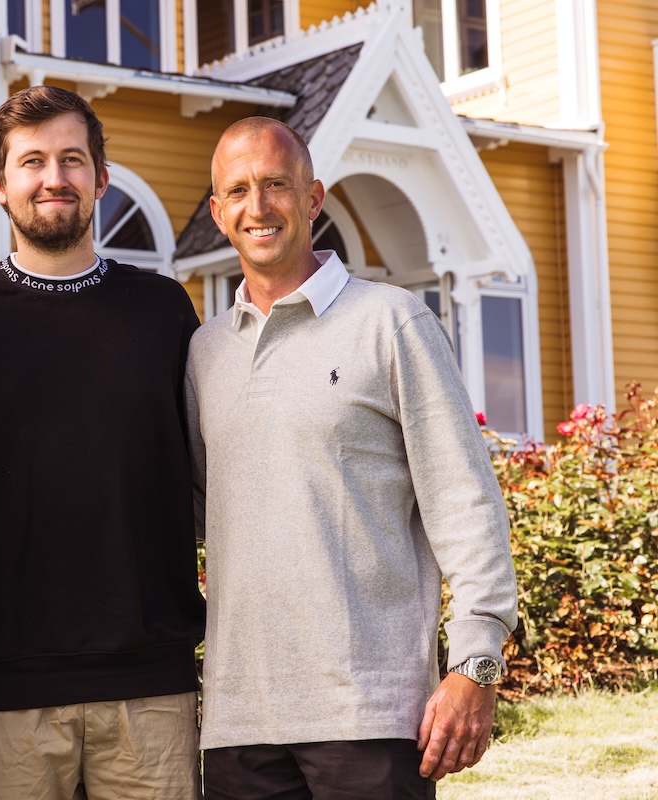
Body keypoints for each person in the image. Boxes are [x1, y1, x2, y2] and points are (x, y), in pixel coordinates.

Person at [185, 116, 518, 798]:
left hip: (371, 717)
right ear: (218, 213)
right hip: (238, 723)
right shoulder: (205, 353)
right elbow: (198, 512)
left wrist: (476, 661)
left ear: (313, 198)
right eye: (239, 190)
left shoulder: (391, 322)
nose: (259, 206)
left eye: (277, 184)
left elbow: (464, 500)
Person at [0, 85, 206, 800]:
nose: (54, 177)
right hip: (6, 684)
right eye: (31, 161)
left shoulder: (161, 313)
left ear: (102, 176)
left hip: (149, 682)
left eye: (72, 158)